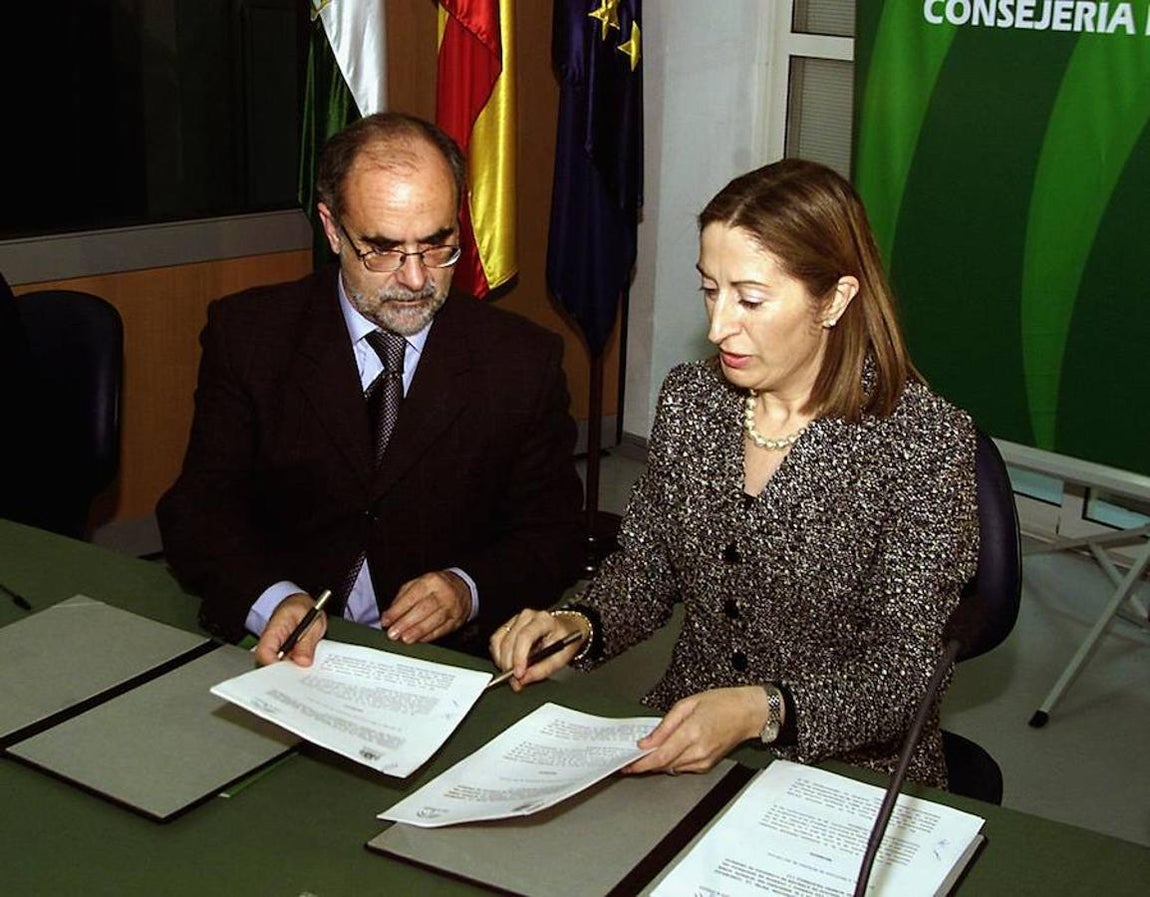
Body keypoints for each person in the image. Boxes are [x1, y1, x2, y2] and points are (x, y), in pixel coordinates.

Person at [489, 159, 979, 789]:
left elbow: (905, 675)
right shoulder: (693, 400)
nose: (719, 326)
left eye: (749, 299)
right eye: (709, 290)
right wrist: (578, 625)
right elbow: (647, 569)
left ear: (834, 300)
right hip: (681, 737)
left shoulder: (922, 441)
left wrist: (760, 710)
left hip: (848, 773)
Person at [158, 112, 584, 665]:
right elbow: (197, 512)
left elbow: (553, 535)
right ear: (333, 229)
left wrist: (467, 587)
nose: (415, 278)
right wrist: (273, 600)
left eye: (438, 245)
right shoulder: (250, 336)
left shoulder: (522, 361)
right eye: (382, 249)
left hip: (444, 662)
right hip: (281, 652)